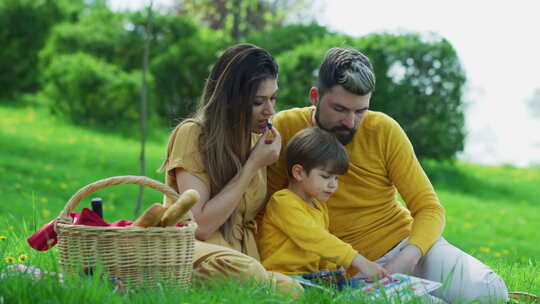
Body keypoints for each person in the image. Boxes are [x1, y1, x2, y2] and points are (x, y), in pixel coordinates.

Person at [266, 47, 508, 303]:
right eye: (340, 109)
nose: (350, 122)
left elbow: (429, 208)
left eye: (360, 111)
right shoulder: (287, 127)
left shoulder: (384, 130)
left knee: (490, 292)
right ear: (315, 96)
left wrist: (409, 256)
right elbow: (264, 207)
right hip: (353, 272)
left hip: (407, 247)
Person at [159, 43, 302, 296]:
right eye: (259, 101)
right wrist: (252, 166)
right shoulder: (193, 134)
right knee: (248, 273)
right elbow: (200, 225)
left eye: (273, 99)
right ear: (231, 100)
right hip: (196, 251)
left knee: (292, 289)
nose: (270, 111)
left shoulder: (255, 140)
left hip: (242, 258)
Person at [259, 127, 390, 283]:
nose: (333, 185)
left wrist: (332, 269)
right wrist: (359, 261)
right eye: (326, 176)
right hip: (283, 277)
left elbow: (321, 250)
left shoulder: (319, 206)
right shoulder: (282, 202)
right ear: (299, 172)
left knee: (355, 289)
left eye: (336, 178)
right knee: (292, 290)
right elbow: (315, 239)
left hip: (310, 278)